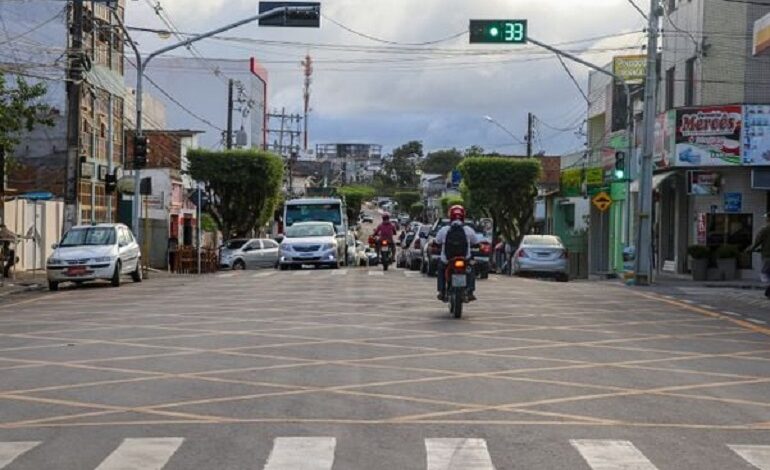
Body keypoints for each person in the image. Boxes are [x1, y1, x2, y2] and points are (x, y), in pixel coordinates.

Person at [435, 205, 479, 302]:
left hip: (447, 259)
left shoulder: (444, 229)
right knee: (471, 269)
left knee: (441, 268)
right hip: (464, 258)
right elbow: (475, 242)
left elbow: (437, 241)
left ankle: (442, 291)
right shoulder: (468, 229)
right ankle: (470, 292)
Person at [747, 212, 770, 298]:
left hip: (767, 256)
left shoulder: (764, 229)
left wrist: (750, 249)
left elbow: (757, 242)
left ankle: (769, 289)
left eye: (766, 218)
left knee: (764, 273)